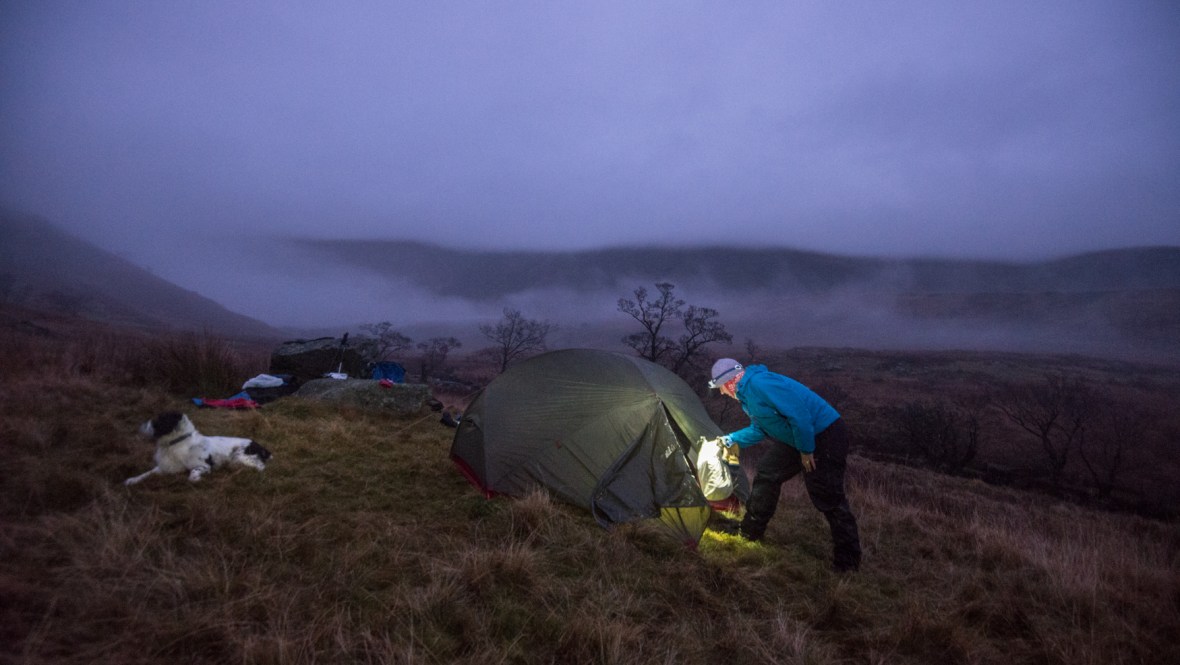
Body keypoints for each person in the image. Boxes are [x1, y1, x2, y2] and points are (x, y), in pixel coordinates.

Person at [706, 358, 862, 572]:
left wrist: (807, 451)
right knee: (767, 473)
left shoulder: (760, 384)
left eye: (721, 388)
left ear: (730, 382)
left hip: (824, 435)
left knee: (827, 495)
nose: (722, 393)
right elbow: (759, 429)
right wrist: (730, 439)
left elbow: (799, 415)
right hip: (798, 437)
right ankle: (750, 531)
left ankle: (848, 562)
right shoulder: (747, 396)